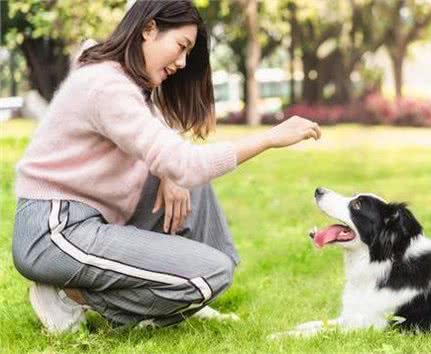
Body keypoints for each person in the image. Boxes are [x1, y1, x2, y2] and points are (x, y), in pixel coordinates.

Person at [12, 0, 321, 333]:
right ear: (149, 29)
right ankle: (71, 296)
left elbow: (166, 147)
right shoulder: (105, 84)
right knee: (211, 271)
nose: (182, 62)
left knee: (192, 189)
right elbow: (184, 162)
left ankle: (185, 294)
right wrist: (270, 139)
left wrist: (169, 175)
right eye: (181, 47)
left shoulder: (125, 79)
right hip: (55, 231)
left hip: (92, 220)